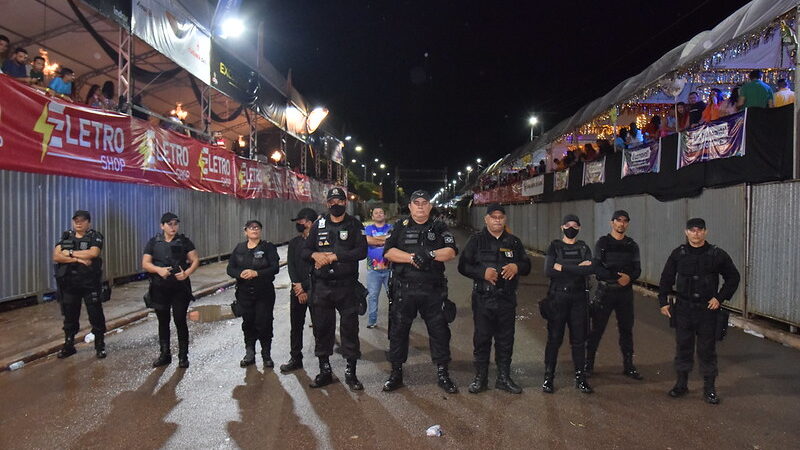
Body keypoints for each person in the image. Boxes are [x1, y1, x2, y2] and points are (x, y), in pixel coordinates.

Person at [383, 190, 459, 393]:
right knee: (398, 332)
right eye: (416, 203)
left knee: (440, 333)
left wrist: (430, 254)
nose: (420, 206)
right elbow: (389, 252)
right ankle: (396, 373)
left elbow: (451, 252)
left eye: (424, 203)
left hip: (433, 291)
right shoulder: (400, 226)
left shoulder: (439, 226)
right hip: (404, 290)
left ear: (430, 206)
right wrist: (412, 258)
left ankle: (443, 373)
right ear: (409, 206)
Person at [658, 218, 740, 404]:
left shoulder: (717, 254)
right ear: (686, 232)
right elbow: (666, 277)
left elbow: (733, 277)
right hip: (684, 309)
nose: (696, 233)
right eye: (692, 230)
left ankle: (709, 388)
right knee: (683, 347)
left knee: (707, 350)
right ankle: (681, 384)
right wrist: (663, 301)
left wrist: (719, 298)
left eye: (699, 230)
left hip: (706, 310)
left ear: (705, 232)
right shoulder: (678, 254)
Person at [458, 204, 531, 394]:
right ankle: (480, 378)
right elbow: (463, 266)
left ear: (504, 219)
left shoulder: (513, 242)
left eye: (500, 217)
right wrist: (482, 272)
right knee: (482, 339)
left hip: (506, 299)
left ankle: (503, 378)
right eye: (493, 217)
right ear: (486, 219)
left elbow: (527, 265)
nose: (497, 220)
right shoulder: (476, 240)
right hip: (483, 298)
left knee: (505, 340)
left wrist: (517, 267)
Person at [300, 188, 367, 390]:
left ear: (345, 202)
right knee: (322, 329)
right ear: (327, 203)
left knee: (350, 329)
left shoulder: (354, 224)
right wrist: (315, 256)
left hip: (346, 287)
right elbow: (305, 250)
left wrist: (335, 256)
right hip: (322, 287)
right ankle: (325, 370)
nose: (335, 204)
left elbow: (362, 251)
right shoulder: (319, 224)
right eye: (332, 201)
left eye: (339, 200)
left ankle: (351, 372)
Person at [586, 210, 643, 380]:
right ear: (612, 223)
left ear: (627, 224)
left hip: (625, 295)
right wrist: (620, 278)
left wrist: (630, 278)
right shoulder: (602, 243)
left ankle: (628, 366)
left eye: (625, 221)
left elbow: (637, 269)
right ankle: (588, 365)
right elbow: (597, 268)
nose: (621, 224)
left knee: (626, 330)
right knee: (596, 330)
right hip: (605, 292)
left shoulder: (632, 245)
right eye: (618, 220)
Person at [541, 214, 594, 394]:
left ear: (579, 228)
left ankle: (581, 378)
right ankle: (548, 378)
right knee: (554, 339)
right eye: (568, 224)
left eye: (575, 225)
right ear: (562, 227)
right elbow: (548, 270)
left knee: (579, 341)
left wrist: (562, 267)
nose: (571, 228)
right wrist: (578, 269)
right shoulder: (554, 246)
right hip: (558, 298)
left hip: (579, 299)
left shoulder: (583, 246)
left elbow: (590, 269)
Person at [142, 212, 200, 369]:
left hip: (180, 288)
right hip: (160, 288)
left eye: (175, 224)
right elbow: (146, 263)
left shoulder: (184, 241)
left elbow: (195, 260)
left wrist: (186, 273)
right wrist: (158, 270)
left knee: (180, 320)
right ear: (162, 226)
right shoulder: (154, 242)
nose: (173, 227)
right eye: (169, 224)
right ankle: (165, 354)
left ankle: (183, 356)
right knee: (163, 321)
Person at [52, 210, 107, 359]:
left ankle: (100, 346)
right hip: (70, 284)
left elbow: (93, 253)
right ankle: (69, 345)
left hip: (90, 283)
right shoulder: (67, 236)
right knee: (70, 316)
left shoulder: (94, 236)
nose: (78, 223)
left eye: (82, 220)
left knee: (95, 314)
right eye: (76, 220)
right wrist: (77, 259)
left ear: (88, 222)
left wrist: (69, 253)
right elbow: (56, 256)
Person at [227, 220, 280, 368]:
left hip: (264, 293)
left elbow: (275, 268)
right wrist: (240, 274)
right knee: (248, 323)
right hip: (244, 293)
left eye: (257, 228)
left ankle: (266, 354)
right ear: (245, 232)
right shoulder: (239, 248)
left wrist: (256, 273)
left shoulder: (268, 247)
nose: (254, 230)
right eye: (251, 228)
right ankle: (249, 353)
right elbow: (230, 269)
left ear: (260, 231)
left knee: (264, 323)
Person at [280, 207, 317, 372]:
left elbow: (318, 268)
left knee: (320, 325)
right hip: (297, 291)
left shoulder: (319, 242)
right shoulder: (295, 242)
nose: (298, 224)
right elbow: (291, 265)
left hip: (316, 290)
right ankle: (296, 358)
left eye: (300, 221)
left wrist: (306, 287)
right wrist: (298, 287)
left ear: (309, 222)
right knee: (296, 326)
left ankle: (324, 362)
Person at [364, 207, 393, 328]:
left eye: (381, 212)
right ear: (372, 216)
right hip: (373, 270)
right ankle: (372, 320)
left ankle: (395, 321)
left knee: (393, 296)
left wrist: (375, 240)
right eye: (376, 213)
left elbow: (393, 240)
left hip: (390, 268)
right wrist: (385, 239)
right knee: (372, 296)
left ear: (385, 215)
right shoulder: (368, 228)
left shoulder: (391, 228)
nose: (379, 214)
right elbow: (368, 240)